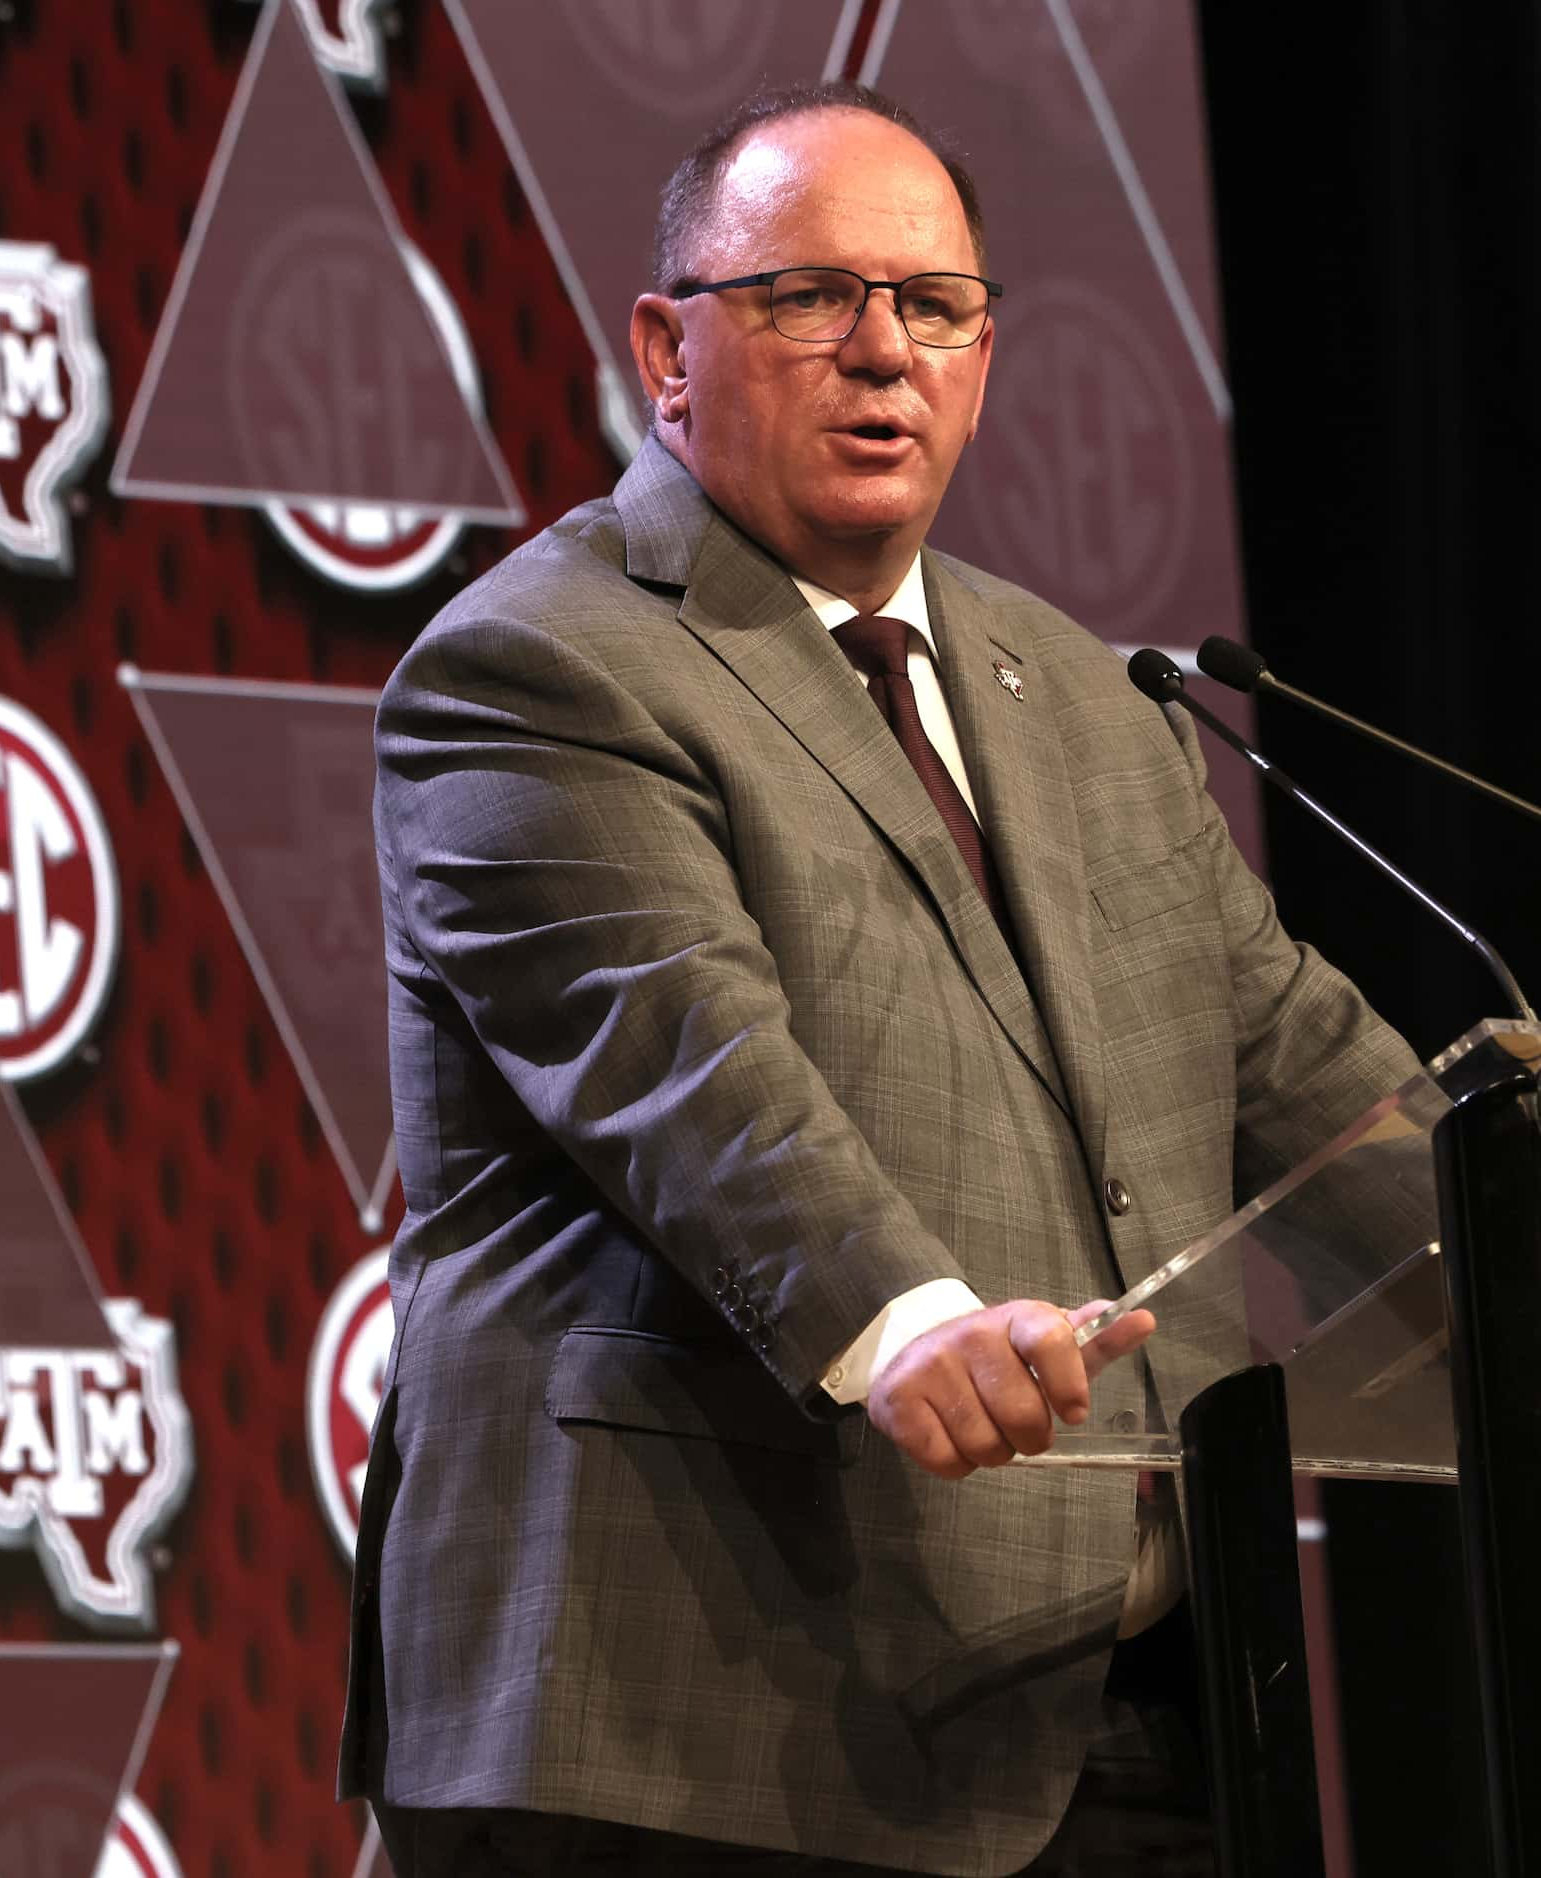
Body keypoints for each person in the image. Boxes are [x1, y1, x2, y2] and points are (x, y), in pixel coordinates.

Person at [338, 79, 1419, 1876]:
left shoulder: (1078, 691)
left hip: (1118, 1718)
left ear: (982, 359)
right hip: (693, 1733)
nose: (878, 350)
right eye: (804, 298)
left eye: (931, 307)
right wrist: (906, 1317)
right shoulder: (538, 669)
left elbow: (1294, 1055)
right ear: (667, 350)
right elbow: (688, 1070)